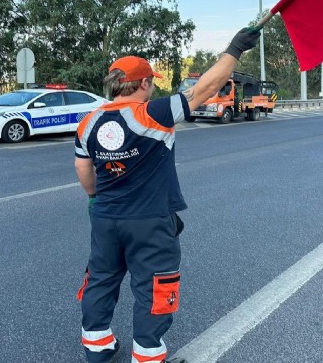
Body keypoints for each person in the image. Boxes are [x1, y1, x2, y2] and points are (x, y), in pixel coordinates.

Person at [73, 26, 261, 363]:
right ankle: (146, 357)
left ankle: (97, 347)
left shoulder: (88, 122)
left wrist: (94, 198)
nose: (153, 86)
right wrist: (235, 48)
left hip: (105, 217)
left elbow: (83, 170)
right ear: (143, 83)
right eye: (152, 81)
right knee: (154, 286)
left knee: (100, 278)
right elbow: (207, 87)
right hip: (149, 220)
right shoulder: (153, 114)